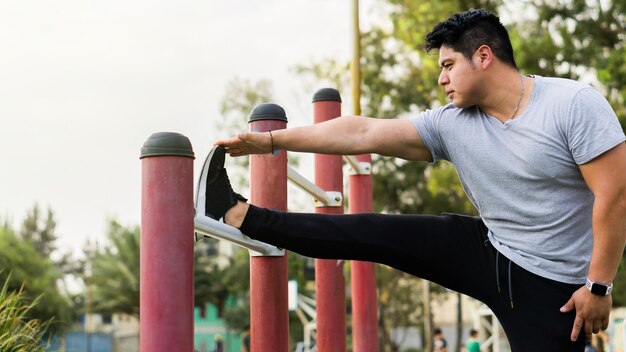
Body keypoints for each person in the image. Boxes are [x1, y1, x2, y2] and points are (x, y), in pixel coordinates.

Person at [208, 8, 626, 352]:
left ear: (483, 56)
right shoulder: (451, 123)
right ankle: (235, 212)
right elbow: (362, 132)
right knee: (370, 230)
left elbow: (616, 196)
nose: (441, 78)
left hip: (551, 287)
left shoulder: (573, 105)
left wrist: (598, 285)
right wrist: (270, 141)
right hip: (488, 248)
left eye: (448, 65)